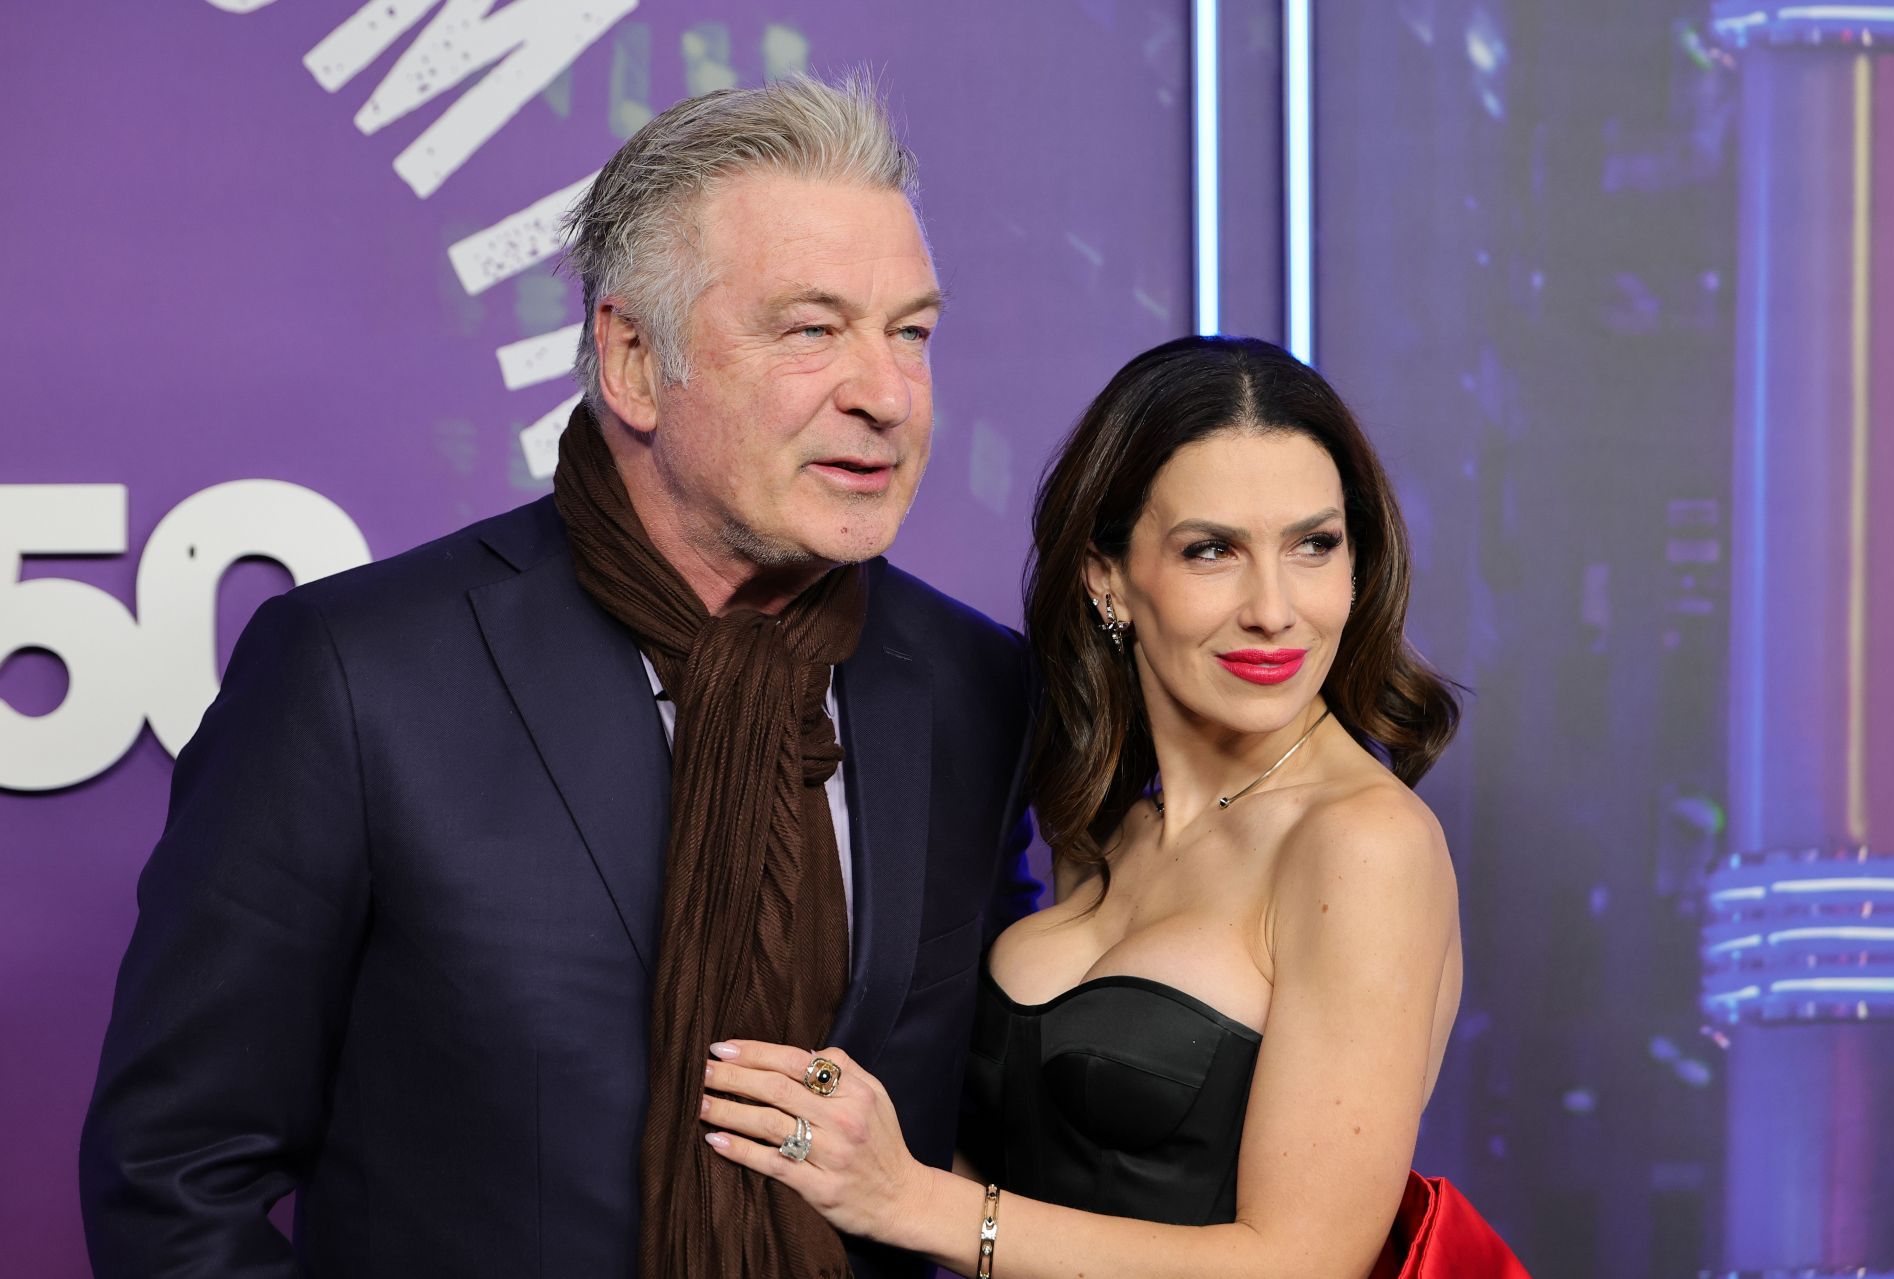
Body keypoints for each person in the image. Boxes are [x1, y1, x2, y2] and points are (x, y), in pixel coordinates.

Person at [79, 75, 1037, 1279]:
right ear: (632, 359)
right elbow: (175, 1175)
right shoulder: (358, 675)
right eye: (811, 329)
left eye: (911, 333)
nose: (886, 394)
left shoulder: (971, 688)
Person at [695, 336, 1530, 1277]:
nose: (1274, 608)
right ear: (1107, 578)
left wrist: (914, 1200)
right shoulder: (1101, 817)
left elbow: (1303, 1261)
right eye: (1213, 549)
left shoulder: (1364, 843)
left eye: (1314, 545)